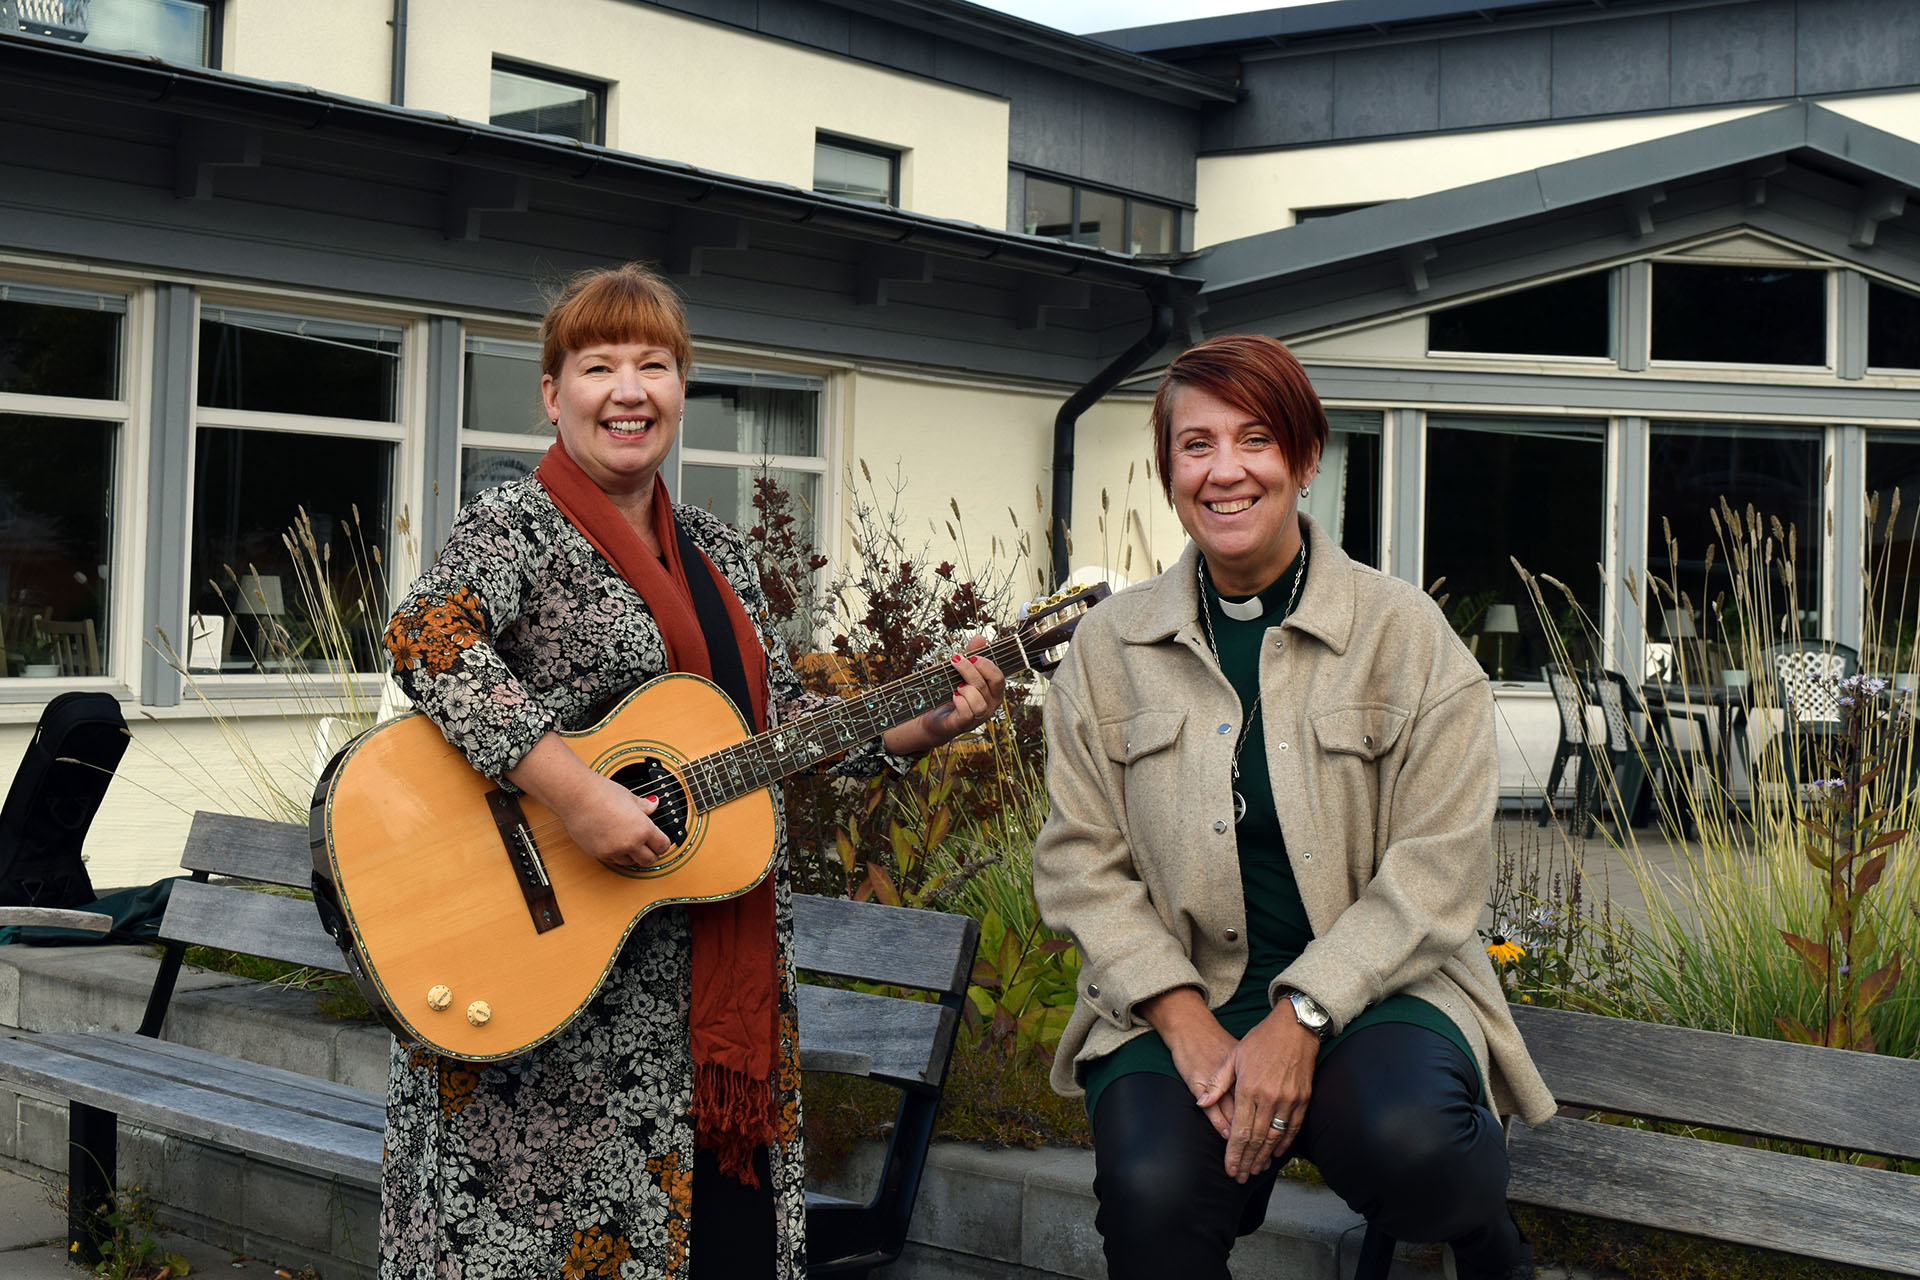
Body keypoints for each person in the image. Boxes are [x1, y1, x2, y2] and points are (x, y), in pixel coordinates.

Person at [377, 262, 1004, 1280]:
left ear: (681, 386)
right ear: (553, 392)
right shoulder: (516, 526)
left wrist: (910, 726)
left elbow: (767, 727)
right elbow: (427, 639)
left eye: (655, 364)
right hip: (555, 990)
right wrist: (577, 794)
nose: (629, 389)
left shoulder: (715, 546)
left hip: (704, 999)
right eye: (598, 365)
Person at [1032, 334, 1554, 1280]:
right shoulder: (1109, 649)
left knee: (1418, 1147)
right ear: (1167, 471)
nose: (1224, 472)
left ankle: (1485, 1238)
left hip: (1380, 993)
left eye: (1256, 440)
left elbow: (1439, 867)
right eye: (1196, 446)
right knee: (1152, 1200)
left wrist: (1301, 1017)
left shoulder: (1404, 635)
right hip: (1175, 995)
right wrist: (1186, 1022)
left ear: (1305, 460)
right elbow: (1079, 862)